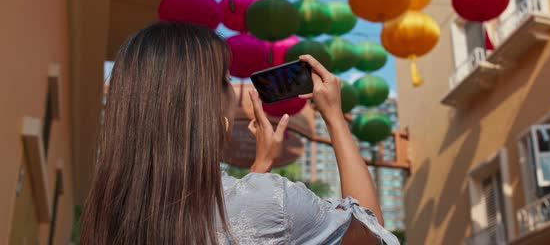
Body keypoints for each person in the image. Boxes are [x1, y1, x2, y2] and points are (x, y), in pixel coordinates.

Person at [80, 22, 399, 245]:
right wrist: (334, 118)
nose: (233, 91)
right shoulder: (276, 202)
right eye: (225, 80)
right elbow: (371, 233)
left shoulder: (108, 214)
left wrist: (257, 174)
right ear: (204, 107)